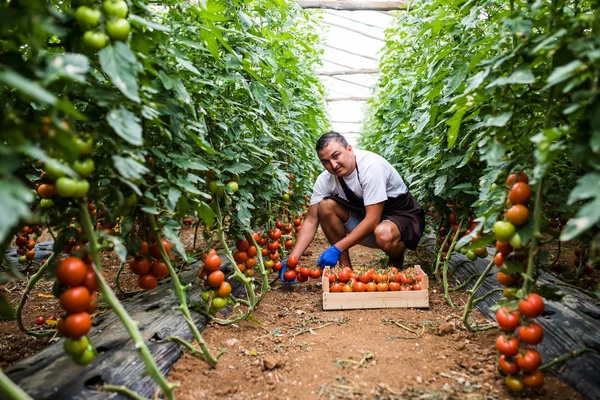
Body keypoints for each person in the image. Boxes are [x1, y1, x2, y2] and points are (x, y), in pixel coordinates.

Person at [281, 132, 425, 282]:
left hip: (402, 216)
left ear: (350, 149)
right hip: (366, 216)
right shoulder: (325, 180)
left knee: (384, 234)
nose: (333, 165)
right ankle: (346, 269)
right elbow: (311, 220)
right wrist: (293, 259)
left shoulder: (371, 167)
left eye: (336, 156)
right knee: (325, 206)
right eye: (326, 162)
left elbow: (372, 220)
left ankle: (396, 258)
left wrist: (336, 248)